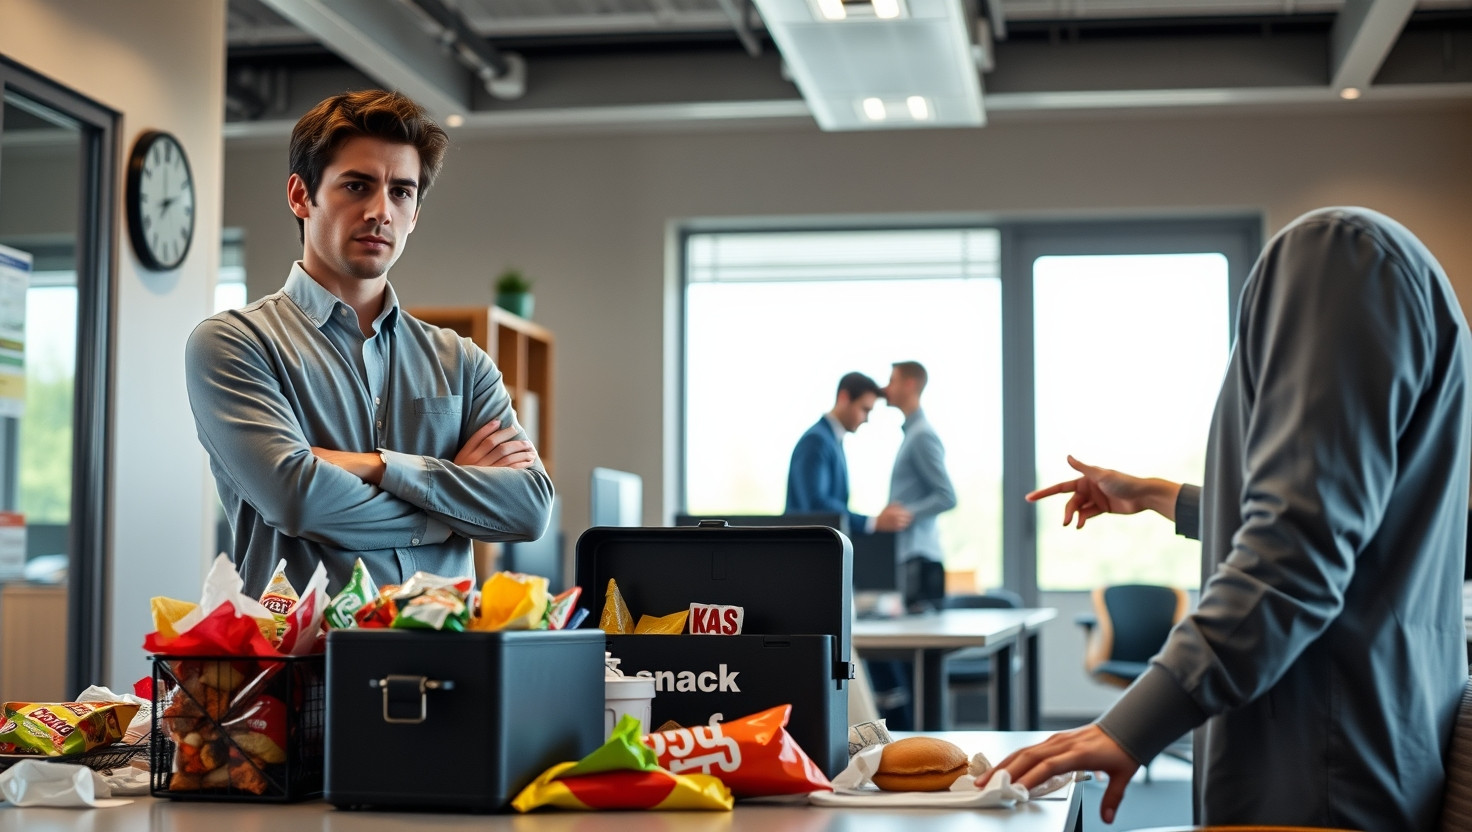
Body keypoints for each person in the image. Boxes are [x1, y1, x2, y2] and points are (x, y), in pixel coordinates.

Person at [981, 207, 1472, 830]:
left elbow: (1294, 554)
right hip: (1360, 749)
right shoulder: (1367, 261)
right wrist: (1157, 494)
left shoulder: (1331, 256)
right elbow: (1333, 511)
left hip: (1319, 769)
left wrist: (1131, 726)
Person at [185, 90, 552, 597]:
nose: (381, 210)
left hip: (445, 662)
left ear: (416, 212)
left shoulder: (463, 362)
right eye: (356, 185)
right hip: (305, 666)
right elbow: (298, 499)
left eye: (402, 192)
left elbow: (529, 508)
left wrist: (375, 466)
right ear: (300, 195)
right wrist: (450, 514)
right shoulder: (234, 345)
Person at [785, 371, 911, 534]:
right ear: (844, 398)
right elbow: (816, 504)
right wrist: (871, 522)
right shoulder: (817, 441)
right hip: (804, 549)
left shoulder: (831, 440)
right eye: (865, 409)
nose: (866, 419)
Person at [883, 361, 957, 564]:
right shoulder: (912, 434)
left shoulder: (921, 435)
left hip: (919, 556)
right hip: (910, 554)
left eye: (892, 381)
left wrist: (903, 514)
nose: (886, 388)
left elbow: (947, 496)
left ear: (909, 384)